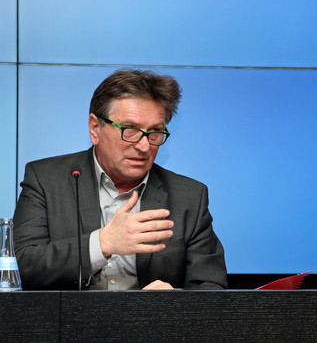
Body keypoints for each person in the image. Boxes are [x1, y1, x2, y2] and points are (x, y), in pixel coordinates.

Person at [13, 69, 227, 290]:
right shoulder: (46, 180)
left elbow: (212, 286)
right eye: (130, 130)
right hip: (69, 322)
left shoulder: (189, 196)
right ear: (95, 128)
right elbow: (20, 267)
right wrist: (102, 243)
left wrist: (174, 304)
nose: (144, 146)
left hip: (151, 324)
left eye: (155, 132)